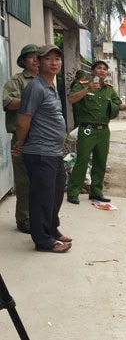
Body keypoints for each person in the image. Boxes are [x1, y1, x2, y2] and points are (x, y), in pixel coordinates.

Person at [12, 44, 72, 253]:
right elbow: (23, 120)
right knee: (41, 198)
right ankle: (43, 240)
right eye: (48, 59)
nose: (54, 62)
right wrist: (20, 143)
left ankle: (51, 229)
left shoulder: (51, 86)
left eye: (57, 59)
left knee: (55, 193)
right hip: (39, 152)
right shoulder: (35, 87)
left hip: (53, 152)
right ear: (39, 62)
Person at [66, 60, 126, 204]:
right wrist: (88, 90)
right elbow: (71, 99)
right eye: (99, 68)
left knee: (100, 162)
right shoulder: (82, 85)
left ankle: (96, 192)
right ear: (92, 72)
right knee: (82, 160)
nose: (102, 71)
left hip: (103, 130)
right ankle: (73, 192)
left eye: (104, 69)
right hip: (87, 130)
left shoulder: (109, 89)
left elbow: (118, 105)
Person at [2, 44, 40, 234]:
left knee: (41, 180)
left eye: (37, 56)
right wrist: (32, 98)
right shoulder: (16, 81)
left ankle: (38, 216)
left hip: (41, 137)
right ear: (23, 61)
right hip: (21, 137)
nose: (35, 60)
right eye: (30, 57)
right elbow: (8, 103)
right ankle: (24, 219)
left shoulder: (45, 80)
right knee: (24, 180)